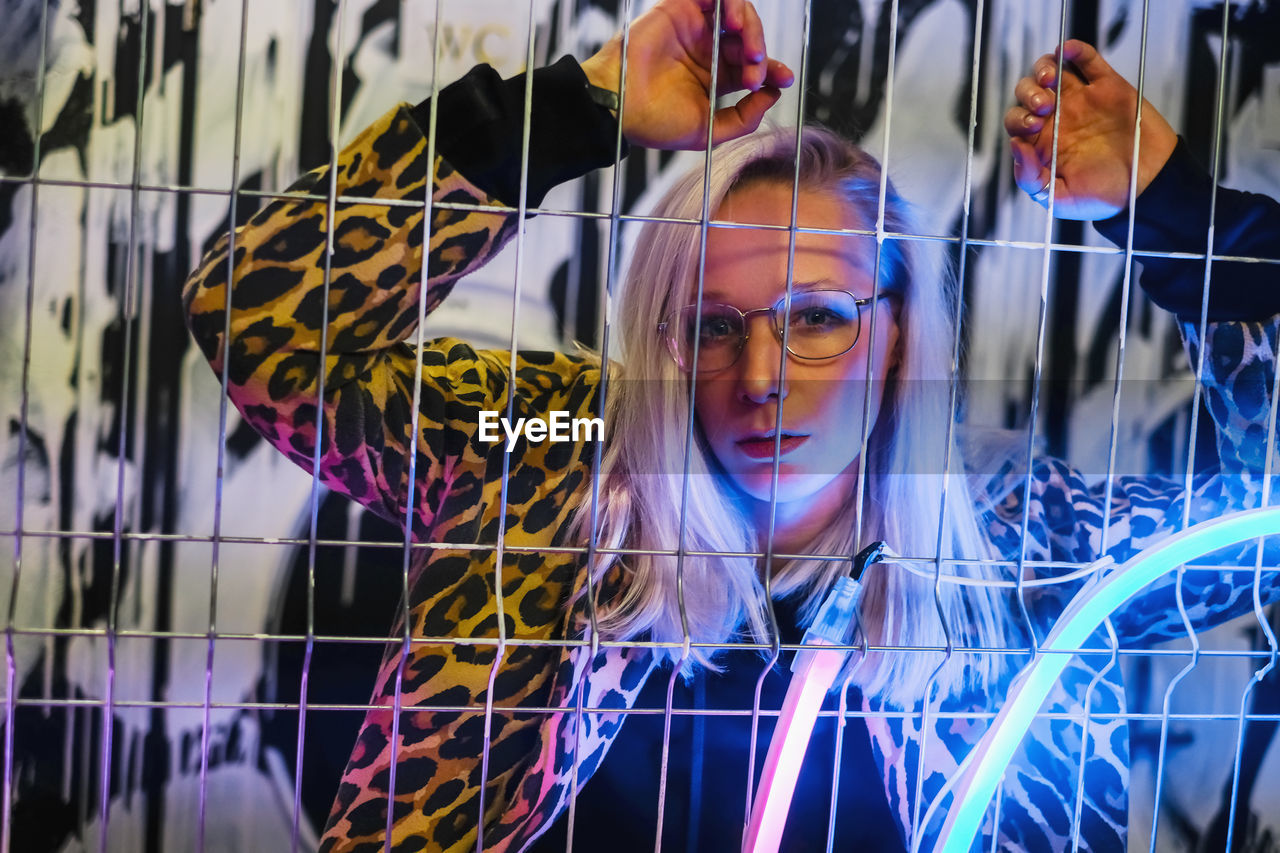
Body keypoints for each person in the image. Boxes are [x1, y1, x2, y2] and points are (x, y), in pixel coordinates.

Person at [181, 0, 1280, 849]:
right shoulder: (561, 457)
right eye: (710, 325)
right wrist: (584, 105)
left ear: (895, 332)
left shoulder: (1013, 539)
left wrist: (1176, 214)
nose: (760, 376)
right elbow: (260, 321)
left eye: (814, 318)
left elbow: (1264, 524)